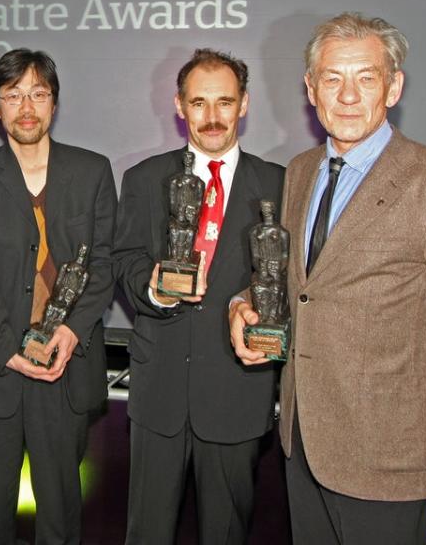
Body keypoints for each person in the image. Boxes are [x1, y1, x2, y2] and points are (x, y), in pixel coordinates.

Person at [229, 12, 426, 544]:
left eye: (365, 78)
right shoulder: (301, 171)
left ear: (393, 88)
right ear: (310, 89)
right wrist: (245, 304)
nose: (348, 95)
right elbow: (302, 282)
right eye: (332, 78)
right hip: (304, 443)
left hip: (391, 458)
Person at [114, 48, 284, 544]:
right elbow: (123, 261)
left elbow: (292, 280)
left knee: (227, 533)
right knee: (146, 533)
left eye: (225, 102)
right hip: (159, 392)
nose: (212, 117)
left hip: (237, 392)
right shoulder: (144, 180)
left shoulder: (279, 184)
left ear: (245, 104)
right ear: (178, 105)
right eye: (199, 102)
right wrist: (157, 288)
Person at [0, 48, 116, 545]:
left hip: (66, 368)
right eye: (14, 95)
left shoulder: (91, 171)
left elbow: (103, 263)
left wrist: (69, 331)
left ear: (55, 103)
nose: (27, 106)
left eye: (39, 94)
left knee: (60, 513)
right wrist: (10, 351)